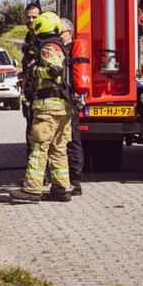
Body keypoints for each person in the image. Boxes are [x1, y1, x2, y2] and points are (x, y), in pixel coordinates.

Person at [10, 11, 72, 203]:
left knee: (39, 147)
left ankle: (31, 190)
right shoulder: (60, 46)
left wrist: (33, 70)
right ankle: (61, 189)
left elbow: (54, 70)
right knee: (58, 149)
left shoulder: (48, 47)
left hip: (48, 108)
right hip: (62, 107)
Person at [59, 17, 83, 196]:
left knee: (72, 140)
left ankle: (75, 181)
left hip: (70, 102)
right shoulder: (58, 50)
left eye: (60, 32)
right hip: (59, 102)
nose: (57, 36)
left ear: (70, 33)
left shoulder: (72, 52)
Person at [19, 1, 43, 147]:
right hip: (30, 91)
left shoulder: (42, 38)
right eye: (28, 17)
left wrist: (28, 75)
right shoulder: (29, 36)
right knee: (30, 131)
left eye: (34, 17)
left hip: (41, 92)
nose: (31, 20)